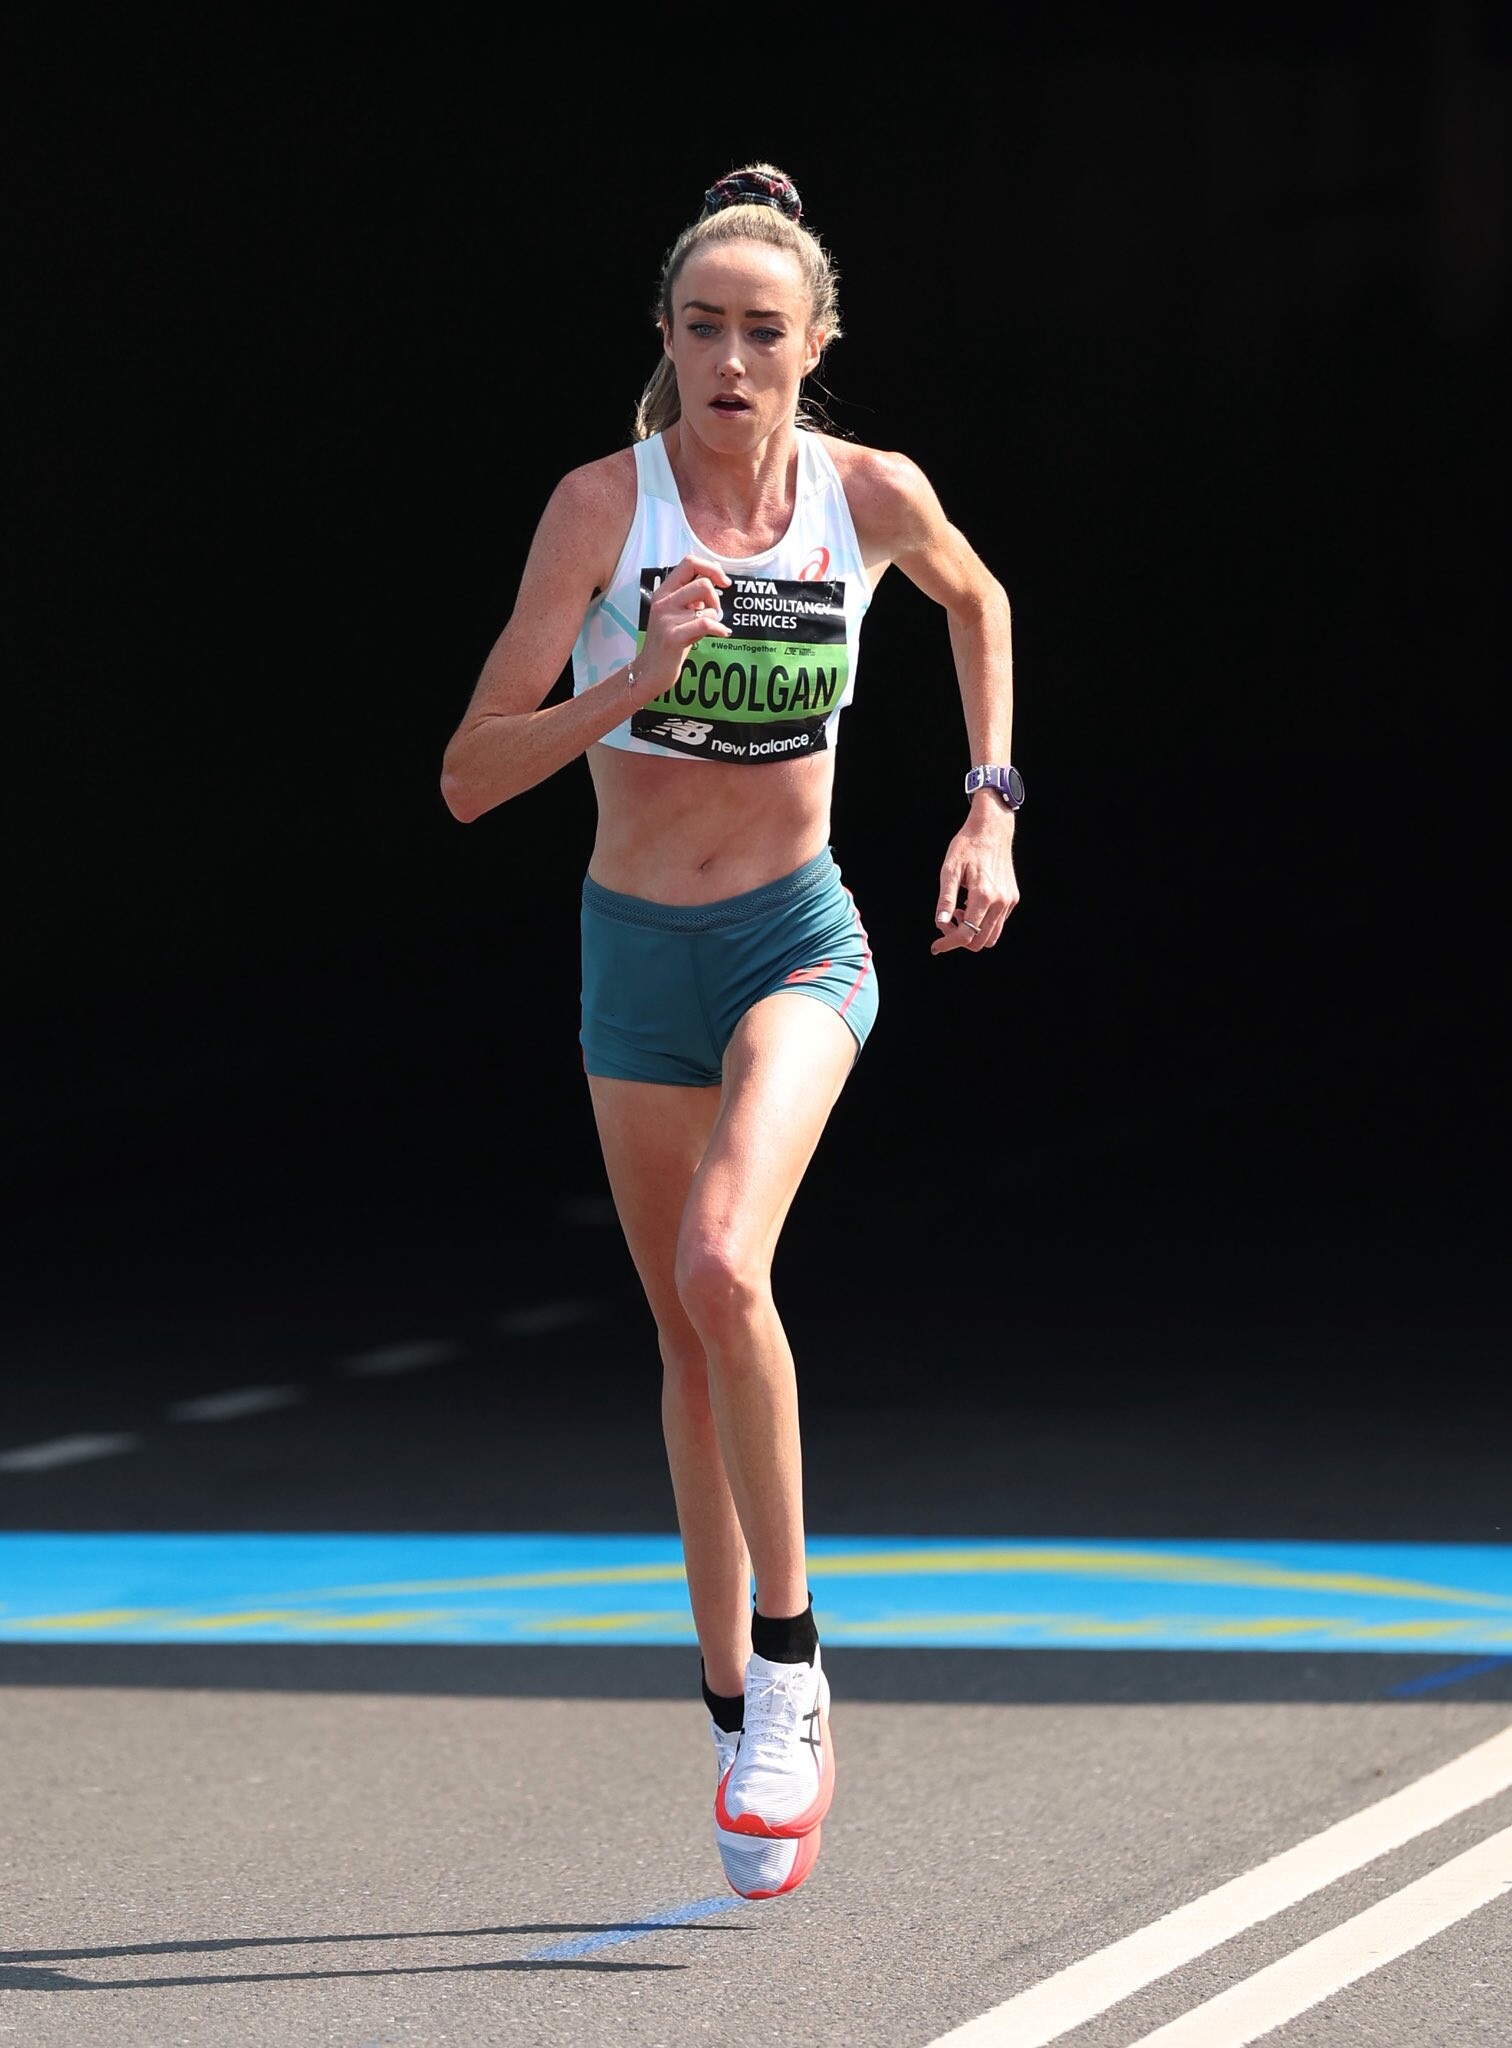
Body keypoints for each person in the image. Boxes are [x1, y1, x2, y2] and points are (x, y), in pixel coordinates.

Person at [440, 162, 1022, 1900]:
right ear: (669, 340)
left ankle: (793, 1663)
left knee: (721, 1264)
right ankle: (731, 1712)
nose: (733, 362)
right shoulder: (598, 512)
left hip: (796, 942)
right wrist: (630, 678)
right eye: (703, 329)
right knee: (687, 1348)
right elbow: (469, 777)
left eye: (766, 332)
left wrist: (989, 803)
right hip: (636, 959)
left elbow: (977, 600)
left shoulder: (867, 493)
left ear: (816, 343)